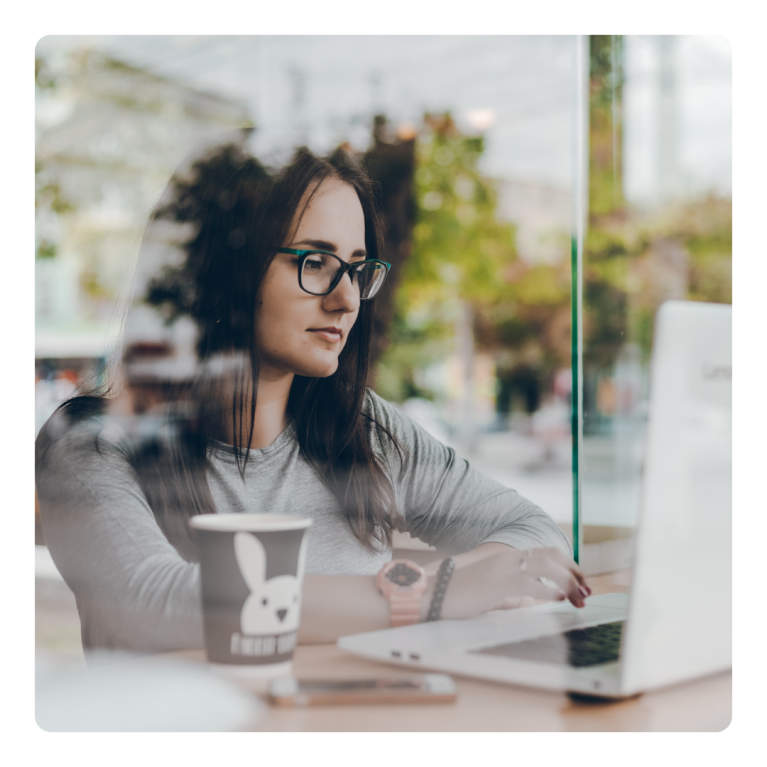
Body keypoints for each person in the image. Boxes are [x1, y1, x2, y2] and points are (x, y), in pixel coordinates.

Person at [34, 141, 589, 653]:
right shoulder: (90, 448)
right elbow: (154, 603)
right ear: (225, 273)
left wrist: (471, 582)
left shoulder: (362, 429)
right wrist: (431, 593)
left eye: (356, 267)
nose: (347, 299)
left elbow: (534, 534)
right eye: (315, 262)